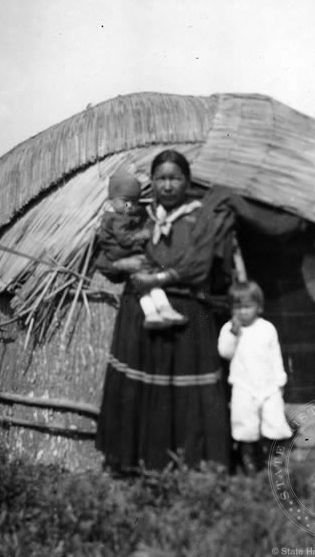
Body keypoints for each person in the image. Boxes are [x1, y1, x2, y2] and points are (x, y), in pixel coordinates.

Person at [95, 149, 239, 472]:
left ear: (187, 181)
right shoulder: (138, 216)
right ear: (152, 182)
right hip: (139, 315)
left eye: (175, 178)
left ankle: (193, 465)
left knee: (187, 389)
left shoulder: (200, 217)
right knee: (142, 386)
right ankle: (138, 463)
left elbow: (199, 266)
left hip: (188, 314)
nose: (168, 185)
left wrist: (157, 276)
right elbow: (104, 258)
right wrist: (122, 263)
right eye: (161, 178)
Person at [95, 167, 188, 329]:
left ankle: (152, 313)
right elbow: (125, 240)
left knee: (143, 286)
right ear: (112, 201)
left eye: (134, 202)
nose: (130, 206)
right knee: (149, 282)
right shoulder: (117, 219)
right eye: (125, 202)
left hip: (123, 256)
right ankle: (164, 308)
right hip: (121, 254)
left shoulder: (121, 217)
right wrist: (143, 235)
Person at [218, 280, 292, 474]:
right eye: (238, 307)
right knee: (245, 423)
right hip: (243, 385)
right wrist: (233, 334)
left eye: (248, 307)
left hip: (268, 386)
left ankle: (275, 460)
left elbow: (275, 356)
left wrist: (280, 381)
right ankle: (249, 460)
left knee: (274, 421)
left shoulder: (267, 328)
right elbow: (225, 353)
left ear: (258, 307)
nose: (243, 312)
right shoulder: (229, 329)